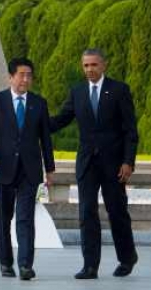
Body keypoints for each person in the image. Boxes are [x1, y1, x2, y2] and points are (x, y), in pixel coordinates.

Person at [51, 48, 139, 279]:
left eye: (94, 65)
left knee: (116, 212)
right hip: (87, 163)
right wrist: (35, 124)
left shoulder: (119, 90)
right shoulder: (78, 92)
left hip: (114, 165)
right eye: (86, 66)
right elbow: (61, 119)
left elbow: (130, 130)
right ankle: (90, 266)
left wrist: (128, 161)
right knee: (86, 213)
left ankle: (127, 257)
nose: (89, 69)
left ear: (103, 65)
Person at [0, 57, 55, 281]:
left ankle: (25, 265)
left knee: (25, 219)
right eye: (21, 75)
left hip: (29, 171)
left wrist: (49, 169)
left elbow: (45, 139)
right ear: (10, 77)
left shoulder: (39, 103)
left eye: (29, 75)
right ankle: (5, 263)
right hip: (2, 168)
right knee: (3, 219)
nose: (25, 79)